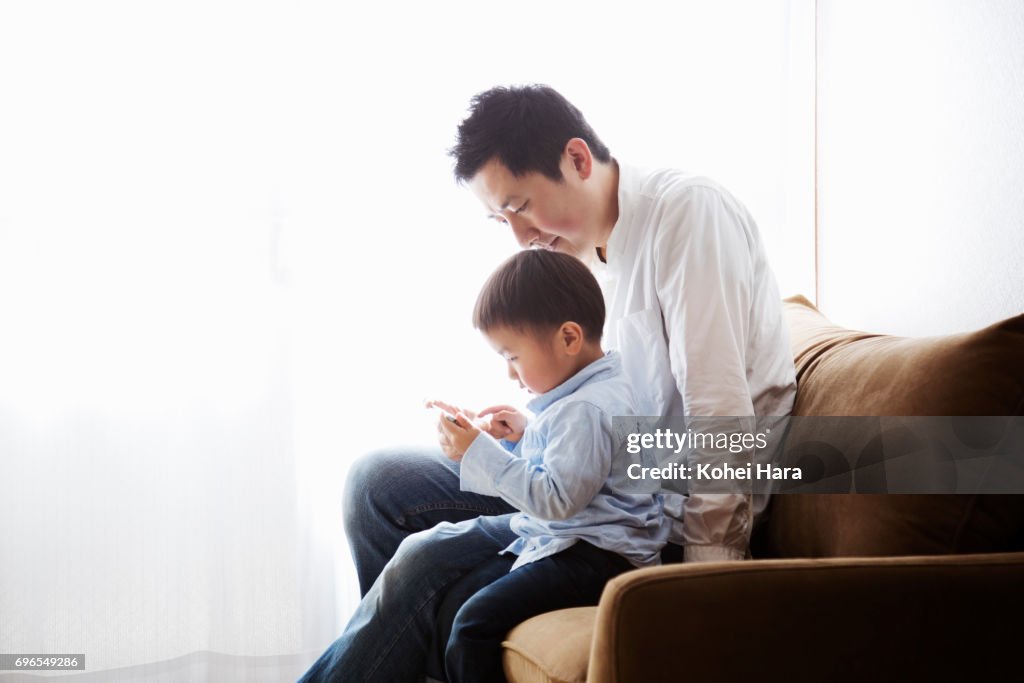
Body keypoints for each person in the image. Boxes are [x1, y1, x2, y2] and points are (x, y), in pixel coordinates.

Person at [331, 83, 797, 679]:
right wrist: (528, 429)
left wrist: (697, 583)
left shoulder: (686, 215)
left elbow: (720, 416)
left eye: (521, 207)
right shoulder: (583, 254)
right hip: (596, 476)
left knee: (429, 573)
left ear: (578, 160)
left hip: (644, 510)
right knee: (377, 483)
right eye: (501, 218)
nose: (519, 238)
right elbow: (602, 405)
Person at [299, 249, 668, 683]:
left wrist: (480, 453)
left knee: (472, 624)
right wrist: (525, 434)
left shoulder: (584, 407)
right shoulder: (598, 388)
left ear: (569, 338)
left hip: (595, 553)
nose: (511, 375)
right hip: (584, 540)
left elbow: (557, 499)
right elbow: (588, 465)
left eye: (512, 357)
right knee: (438, 572)